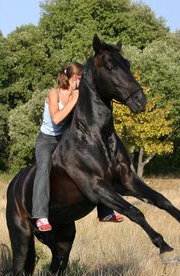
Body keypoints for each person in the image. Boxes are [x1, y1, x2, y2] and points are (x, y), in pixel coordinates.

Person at [32, 62, 124, 232]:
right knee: (44, 168)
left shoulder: (79, 93)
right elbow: (57, 119)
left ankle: (105, 211)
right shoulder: (54, 93)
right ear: (75, 78)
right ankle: (40, 216)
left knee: (98, 161)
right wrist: (73, 100)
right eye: (82, 78)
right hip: (47, 140)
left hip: (66, 139)